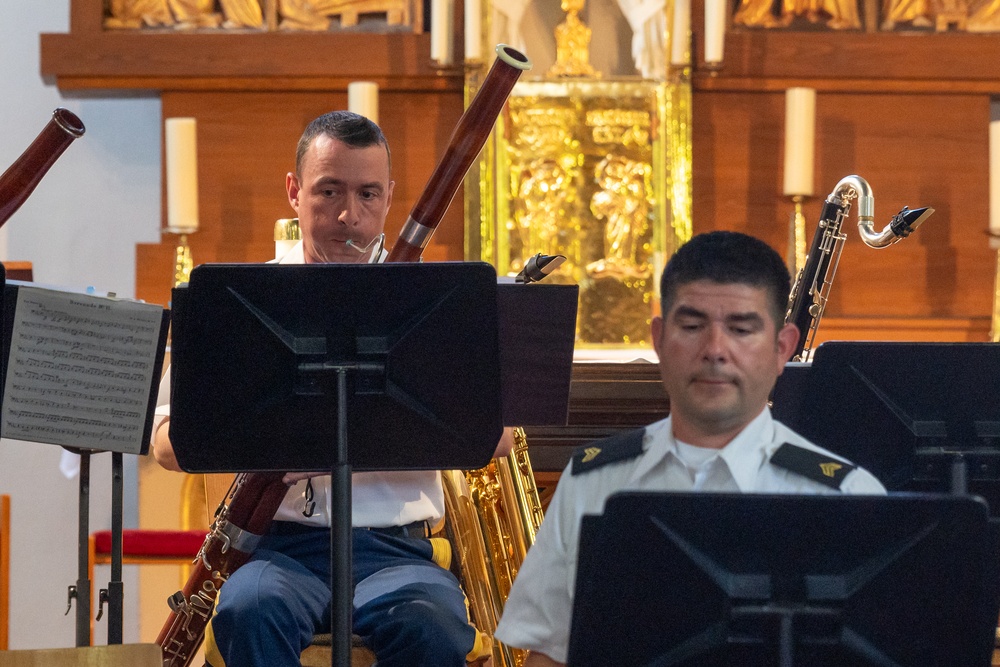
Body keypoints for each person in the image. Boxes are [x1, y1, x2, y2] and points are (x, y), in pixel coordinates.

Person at [152, 110, 510, 666]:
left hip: (397, 552)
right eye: (328, 191)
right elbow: (167, 443)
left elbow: (500, 438)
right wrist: (274, 442)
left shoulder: (432, 303)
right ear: (294, 192)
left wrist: (369, 431)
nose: (350, 215)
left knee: (434, 628)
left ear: (390, 196)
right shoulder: (241, 302)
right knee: (247, 613)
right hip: (280, 550)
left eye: (368, 194)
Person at [493, 230, 887, 667]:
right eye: (693, 326)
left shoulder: (846, 497)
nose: (715, 350)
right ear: (659, 339)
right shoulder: (595, 482)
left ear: (782, 349)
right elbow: (548, 655)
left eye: (741, 329)